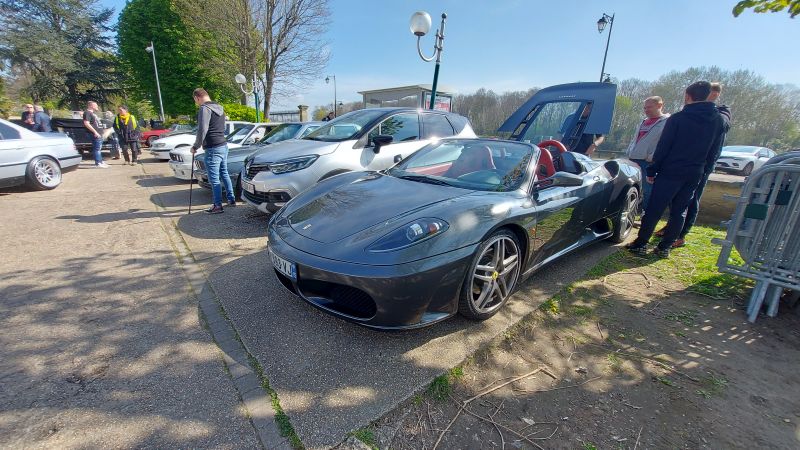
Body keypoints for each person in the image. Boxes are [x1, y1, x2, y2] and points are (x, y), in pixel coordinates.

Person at [626, 81, 725, 258]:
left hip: (671, 170)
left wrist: (652, 170)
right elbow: (715, 151)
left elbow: (664, 147)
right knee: (680, 210)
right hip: (695, 172)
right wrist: (704, 170)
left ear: (688, 96)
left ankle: (641, 243)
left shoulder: (678, 118)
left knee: (655, 208)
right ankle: (665, 247)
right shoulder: (718, 120)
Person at [667, 83, 731, 247]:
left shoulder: (720, 114)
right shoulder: (689, 112)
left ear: (714, 94)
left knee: (691, 200)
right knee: (675, 200)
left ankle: (681, 235)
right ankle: (671, 228)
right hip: (681, 164)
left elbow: (721, 128)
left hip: (702, 166)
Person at [190, 88, 235, 214]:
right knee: (224, 173)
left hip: (212, 147)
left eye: (195, 100)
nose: (197, 103)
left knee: (214, 179)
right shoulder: (219, 108)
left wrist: (196, 146)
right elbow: (222, 127)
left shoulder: (205, 108)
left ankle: (217, 205)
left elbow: (202, 129)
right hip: (223, 145)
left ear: (197, 97)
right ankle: (231, 199)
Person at [625, 96, 670, 213]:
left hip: (648, 162)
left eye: (649, 107)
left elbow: (665, 142)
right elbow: (636, 139)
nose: (646, 110)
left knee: (648, 190)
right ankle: (634, 212)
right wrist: (630, 151)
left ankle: (646, 214)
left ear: (660, 106)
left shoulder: (667, 122)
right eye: (645, 108)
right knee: (634, 188)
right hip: (634, 160)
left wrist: (652, 156)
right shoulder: (643, 122)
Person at [83, 101, 108, 168]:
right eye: (96, 105)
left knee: (99, 148)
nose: (97, 106)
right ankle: (98, 163)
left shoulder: (93, 113)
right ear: (91, 106)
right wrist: (95, 132)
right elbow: (86, 123)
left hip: (99, 133)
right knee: (97, 148)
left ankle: (101, 161)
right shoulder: (87, 113)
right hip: (94, 134)